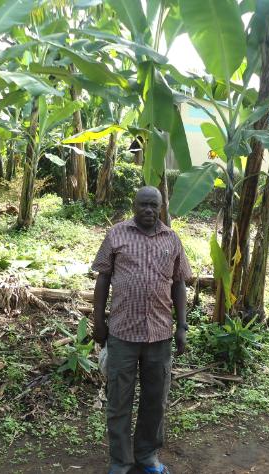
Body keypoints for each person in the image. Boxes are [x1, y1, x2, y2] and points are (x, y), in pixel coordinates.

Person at [91, 186, 192, 474]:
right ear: (134, 205)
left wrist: (182, 326)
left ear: (161, 207)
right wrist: (99, 322)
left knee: (155, 401)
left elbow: (179, 283)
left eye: (154, 205)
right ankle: (121, 462)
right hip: (122, 333)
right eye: (143, 204)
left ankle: (147, 457)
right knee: (119, 401)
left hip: (159, 334)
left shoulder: (171, 239)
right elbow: (103, 279)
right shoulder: (116, 234)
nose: (148, 210)